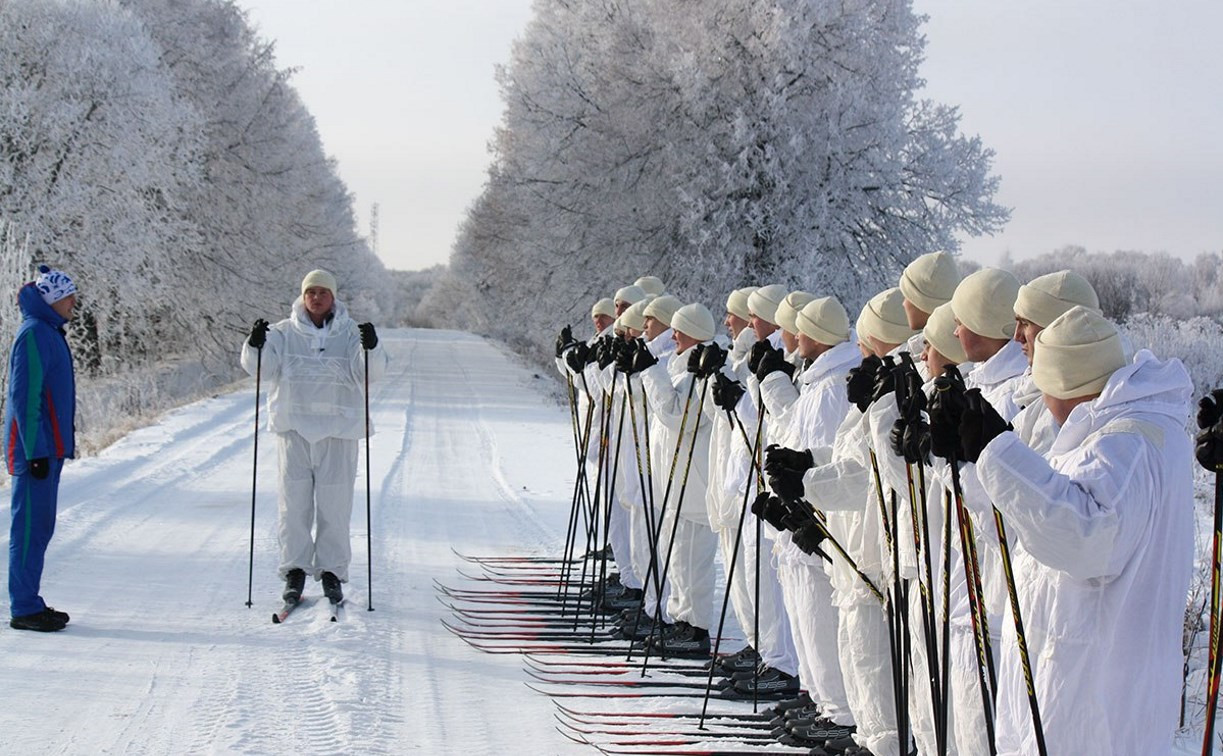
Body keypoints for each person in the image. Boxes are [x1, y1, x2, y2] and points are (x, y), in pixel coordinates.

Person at [957, 306, 1194, 755]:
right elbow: (1031, 531)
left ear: (1063, 383)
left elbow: (1085, 538)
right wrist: (977, 465)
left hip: (1097, 692)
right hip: (1079, 677)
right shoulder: (1110, 435)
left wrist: (998, 451)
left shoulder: (1123, 446)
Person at [240, 269, 387, 605]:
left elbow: (369, 373)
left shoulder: (351, 333)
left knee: (335, 505)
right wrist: (254, 344)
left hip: (339, 431)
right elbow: (260, 367)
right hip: (294, 429)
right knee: (293, 504)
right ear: (303, 296)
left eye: (323, 292)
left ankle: (332, 571)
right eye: (311, 292)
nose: (316, 298)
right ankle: (295, 569)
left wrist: (372, 349)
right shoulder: (281, 332)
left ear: (333, 297)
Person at [5, 265, 78, 632]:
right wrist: (35, 452)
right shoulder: (34, 334)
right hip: (36, 452)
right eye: (68, 296)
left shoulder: (48, 331)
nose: (73, 302)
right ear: (51, 299)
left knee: (40, 527)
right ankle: (24, 608)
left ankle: (30, 601)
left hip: (48, 450)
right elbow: (24, 396)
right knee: (29, 528)